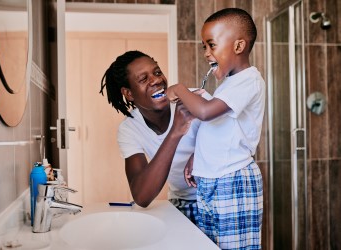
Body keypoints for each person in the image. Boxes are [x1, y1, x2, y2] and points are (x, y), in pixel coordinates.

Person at [166, 8, 265, 249]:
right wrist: (196, 158)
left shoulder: (249, 80)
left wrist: (179, 89)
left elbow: (205, 113)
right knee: (211, 245)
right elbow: (220, 130)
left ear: (238, 46)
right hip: (211, 179)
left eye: (211, 45)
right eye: (204, 47)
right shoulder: (228, 85)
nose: (206, 53)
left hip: (233, 180)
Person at [99, 50, 209, 223]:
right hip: (182, 202)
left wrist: (201, 154)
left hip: (219, 197)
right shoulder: (130, 129)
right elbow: (142, 196)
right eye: (143, 79)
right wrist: (176, 131)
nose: (156, 80)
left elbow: (231, 139)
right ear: (128, 93)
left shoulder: (192, 98)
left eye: (157, 72)